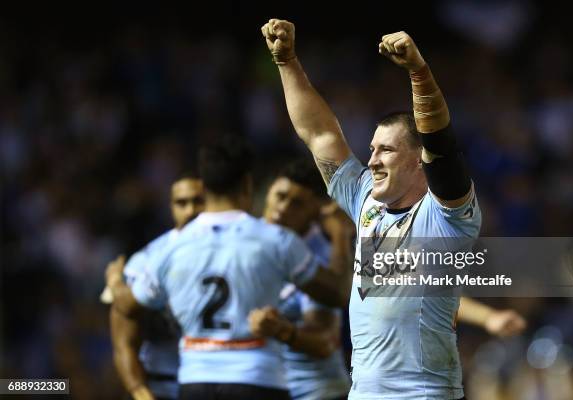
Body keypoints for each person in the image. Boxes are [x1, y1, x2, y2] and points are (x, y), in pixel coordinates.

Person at [261, 19, 480, 399]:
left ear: (418, 162)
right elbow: (320, 134)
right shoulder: (366, 201)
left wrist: (418, 73)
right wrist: (287, 61)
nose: (373, 160)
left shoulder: (447, 217)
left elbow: (441, 146)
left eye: (388, 150)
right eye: (373, 149)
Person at [106, 135, 353, 400]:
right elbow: (338, 293)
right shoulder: (275, 242)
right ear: (249, 185)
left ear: (206, 187)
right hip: (257, 378)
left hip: (195, 380)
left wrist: (116, 281)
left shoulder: (172, 246)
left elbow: (127, 306)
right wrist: (342, 234)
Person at [249, 160, 351, 400]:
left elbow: (325, 342)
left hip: (315, 392)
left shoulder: (321, 261)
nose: (282, 208)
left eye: (297, 204)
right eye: (280, 196)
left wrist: (283, 331)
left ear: (315, 212)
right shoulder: (248, 241)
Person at [103, 175, 205, 400]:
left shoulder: (235, 252)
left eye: (198, 201)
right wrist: (141, 394)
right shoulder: (144, 263)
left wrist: (115, 283)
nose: (190, 210)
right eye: (182, 203)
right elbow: (123, 343)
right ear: (171, 207)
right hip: (162, 386)